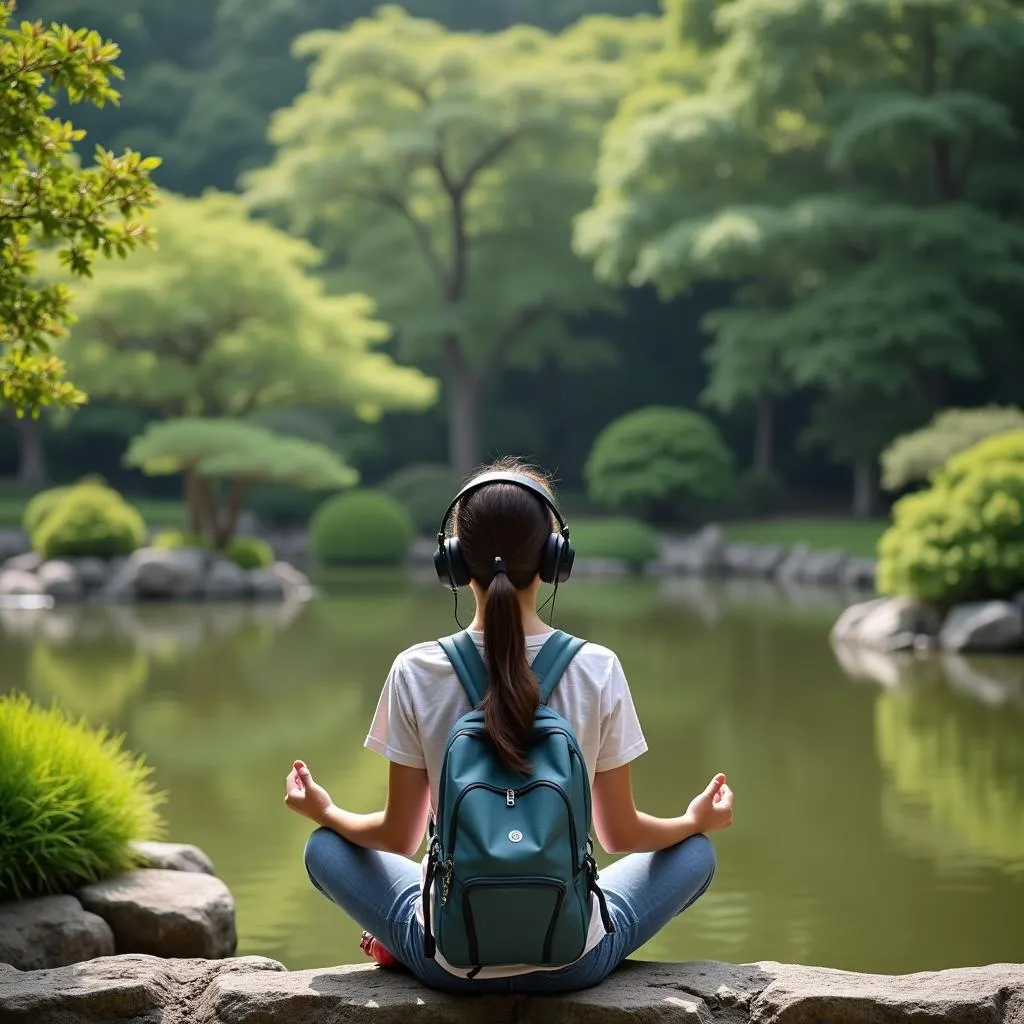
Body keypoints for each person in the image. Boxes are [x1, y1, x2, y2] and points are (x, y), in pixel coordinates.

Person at [284, 459, 734, 994]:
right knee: (697, 853)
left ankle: (405, 937)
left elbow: (398, 837)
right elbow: (620, 836)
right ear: (553, 559)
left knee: (323, 848)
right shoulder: (598, 667)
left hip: (449, 961)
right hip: (572, 962)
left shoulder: (416, 669)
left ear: (452, 562)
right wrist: (692, 819)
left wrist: (325, 811)